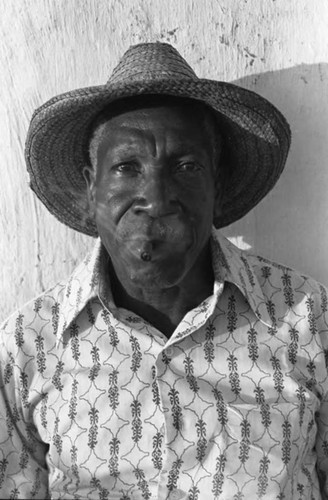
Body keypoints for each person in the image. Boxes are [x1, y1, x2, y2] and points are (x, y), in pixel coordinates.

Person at [0, 42, 327, 500]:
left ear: (216, 183)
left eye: (187, 166)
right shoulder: (29, 345)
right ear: (90, 188)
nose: (155, 198)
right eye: (126, 167)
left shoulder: (308, 320)